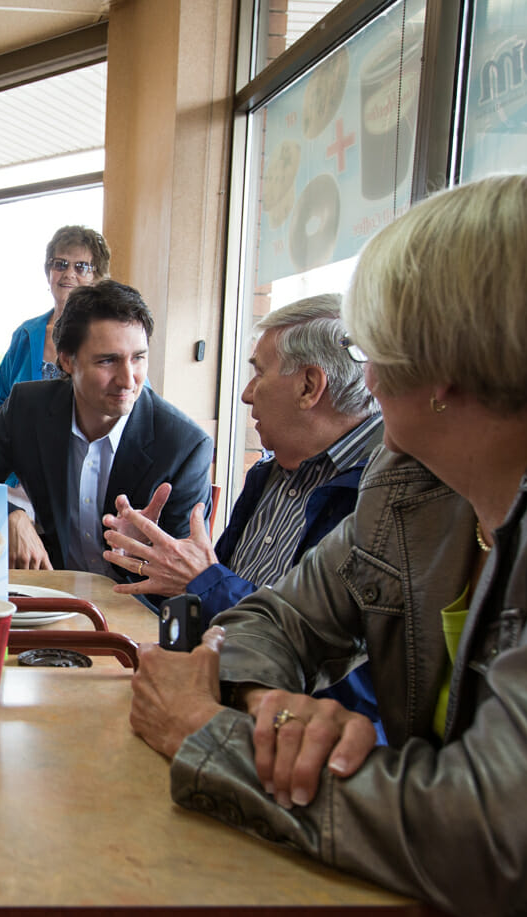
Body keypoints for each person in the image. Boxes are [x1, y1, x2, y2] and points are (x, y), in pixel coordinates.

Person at [123, 170, 527, 917]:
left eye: (378, 349)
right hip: (459, 916)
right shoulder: (415, 477)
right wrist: (271, 709)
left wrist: (209, 735)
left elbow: (490, 838)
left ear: (446, 365)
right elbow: (280, 619)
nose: (366, 378)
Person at [104, 293, 383, 723]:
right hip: (215, 703)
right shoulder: (268, 473)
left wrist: (202, 580)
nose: (246, 395)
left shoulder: (383, 495)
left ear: (310, 386)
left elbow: (336, 664)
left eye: (259, 373)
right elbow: (215, 608)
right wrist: (156, 563)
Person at [0, 280, 212, 576]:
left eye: (138, 358)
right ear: (67, 360)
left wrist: (147, 554)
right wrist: (11, 516)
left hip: (136, 608)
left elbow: (187, 580)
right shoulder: (28, 409)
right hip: (51, 598)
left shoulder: (184, 446)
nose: (128, 380)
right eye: (108, 361)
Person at [0, 224, 110, 421]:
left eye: (81, 267)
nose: (69, 273)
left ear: (96, 277)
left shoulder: (112, 337)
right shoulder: (24, 335)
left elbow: (133, 401)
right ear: (49, 271)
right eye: (60, 264)